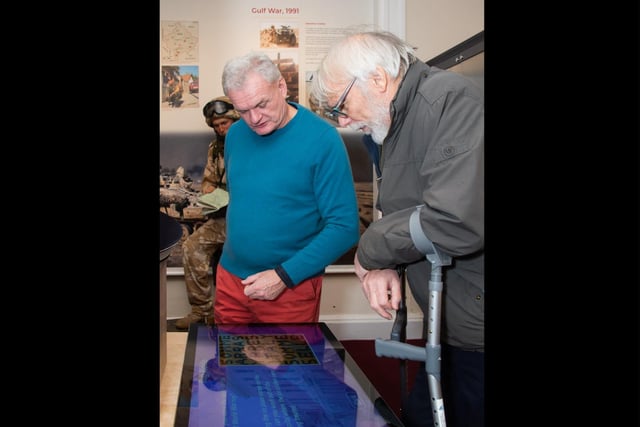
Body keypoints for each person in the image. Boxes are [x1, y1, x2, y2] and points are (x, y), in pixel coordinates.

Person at [310, 31, 484, 427]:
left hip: (476, 336)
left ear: (377, 79)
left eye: (340, 104)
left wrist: (374, 248)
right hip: (451, 327)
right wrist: (388, 260)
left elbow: (456, 220)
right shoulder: (392, 122)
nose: (343, 120)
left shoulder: (447, 100)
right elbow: (404, 208)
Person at [213, 51, 360, 324]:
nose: (254, 118)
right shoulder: (235, 134)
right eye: (243, 111)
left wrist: (284, 275)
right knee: (229, 366)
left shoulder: (322, 139)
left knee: (286, 368)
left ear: (281, 87)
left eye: (261, 104)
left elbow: (344, 227)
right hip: (231, 281)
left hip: (289, 286)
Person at [176, 96, 240, 330]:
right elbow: (208, 180)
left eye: (225, 123)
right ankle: (201, 310)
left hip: (249, 220)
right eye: (217, 126)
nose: (222, 129)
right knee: (191, 247)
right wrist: (209, 190)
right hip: (223, 216)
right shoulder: (215, 148)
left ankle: (237, 316)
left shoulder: (255, 143)